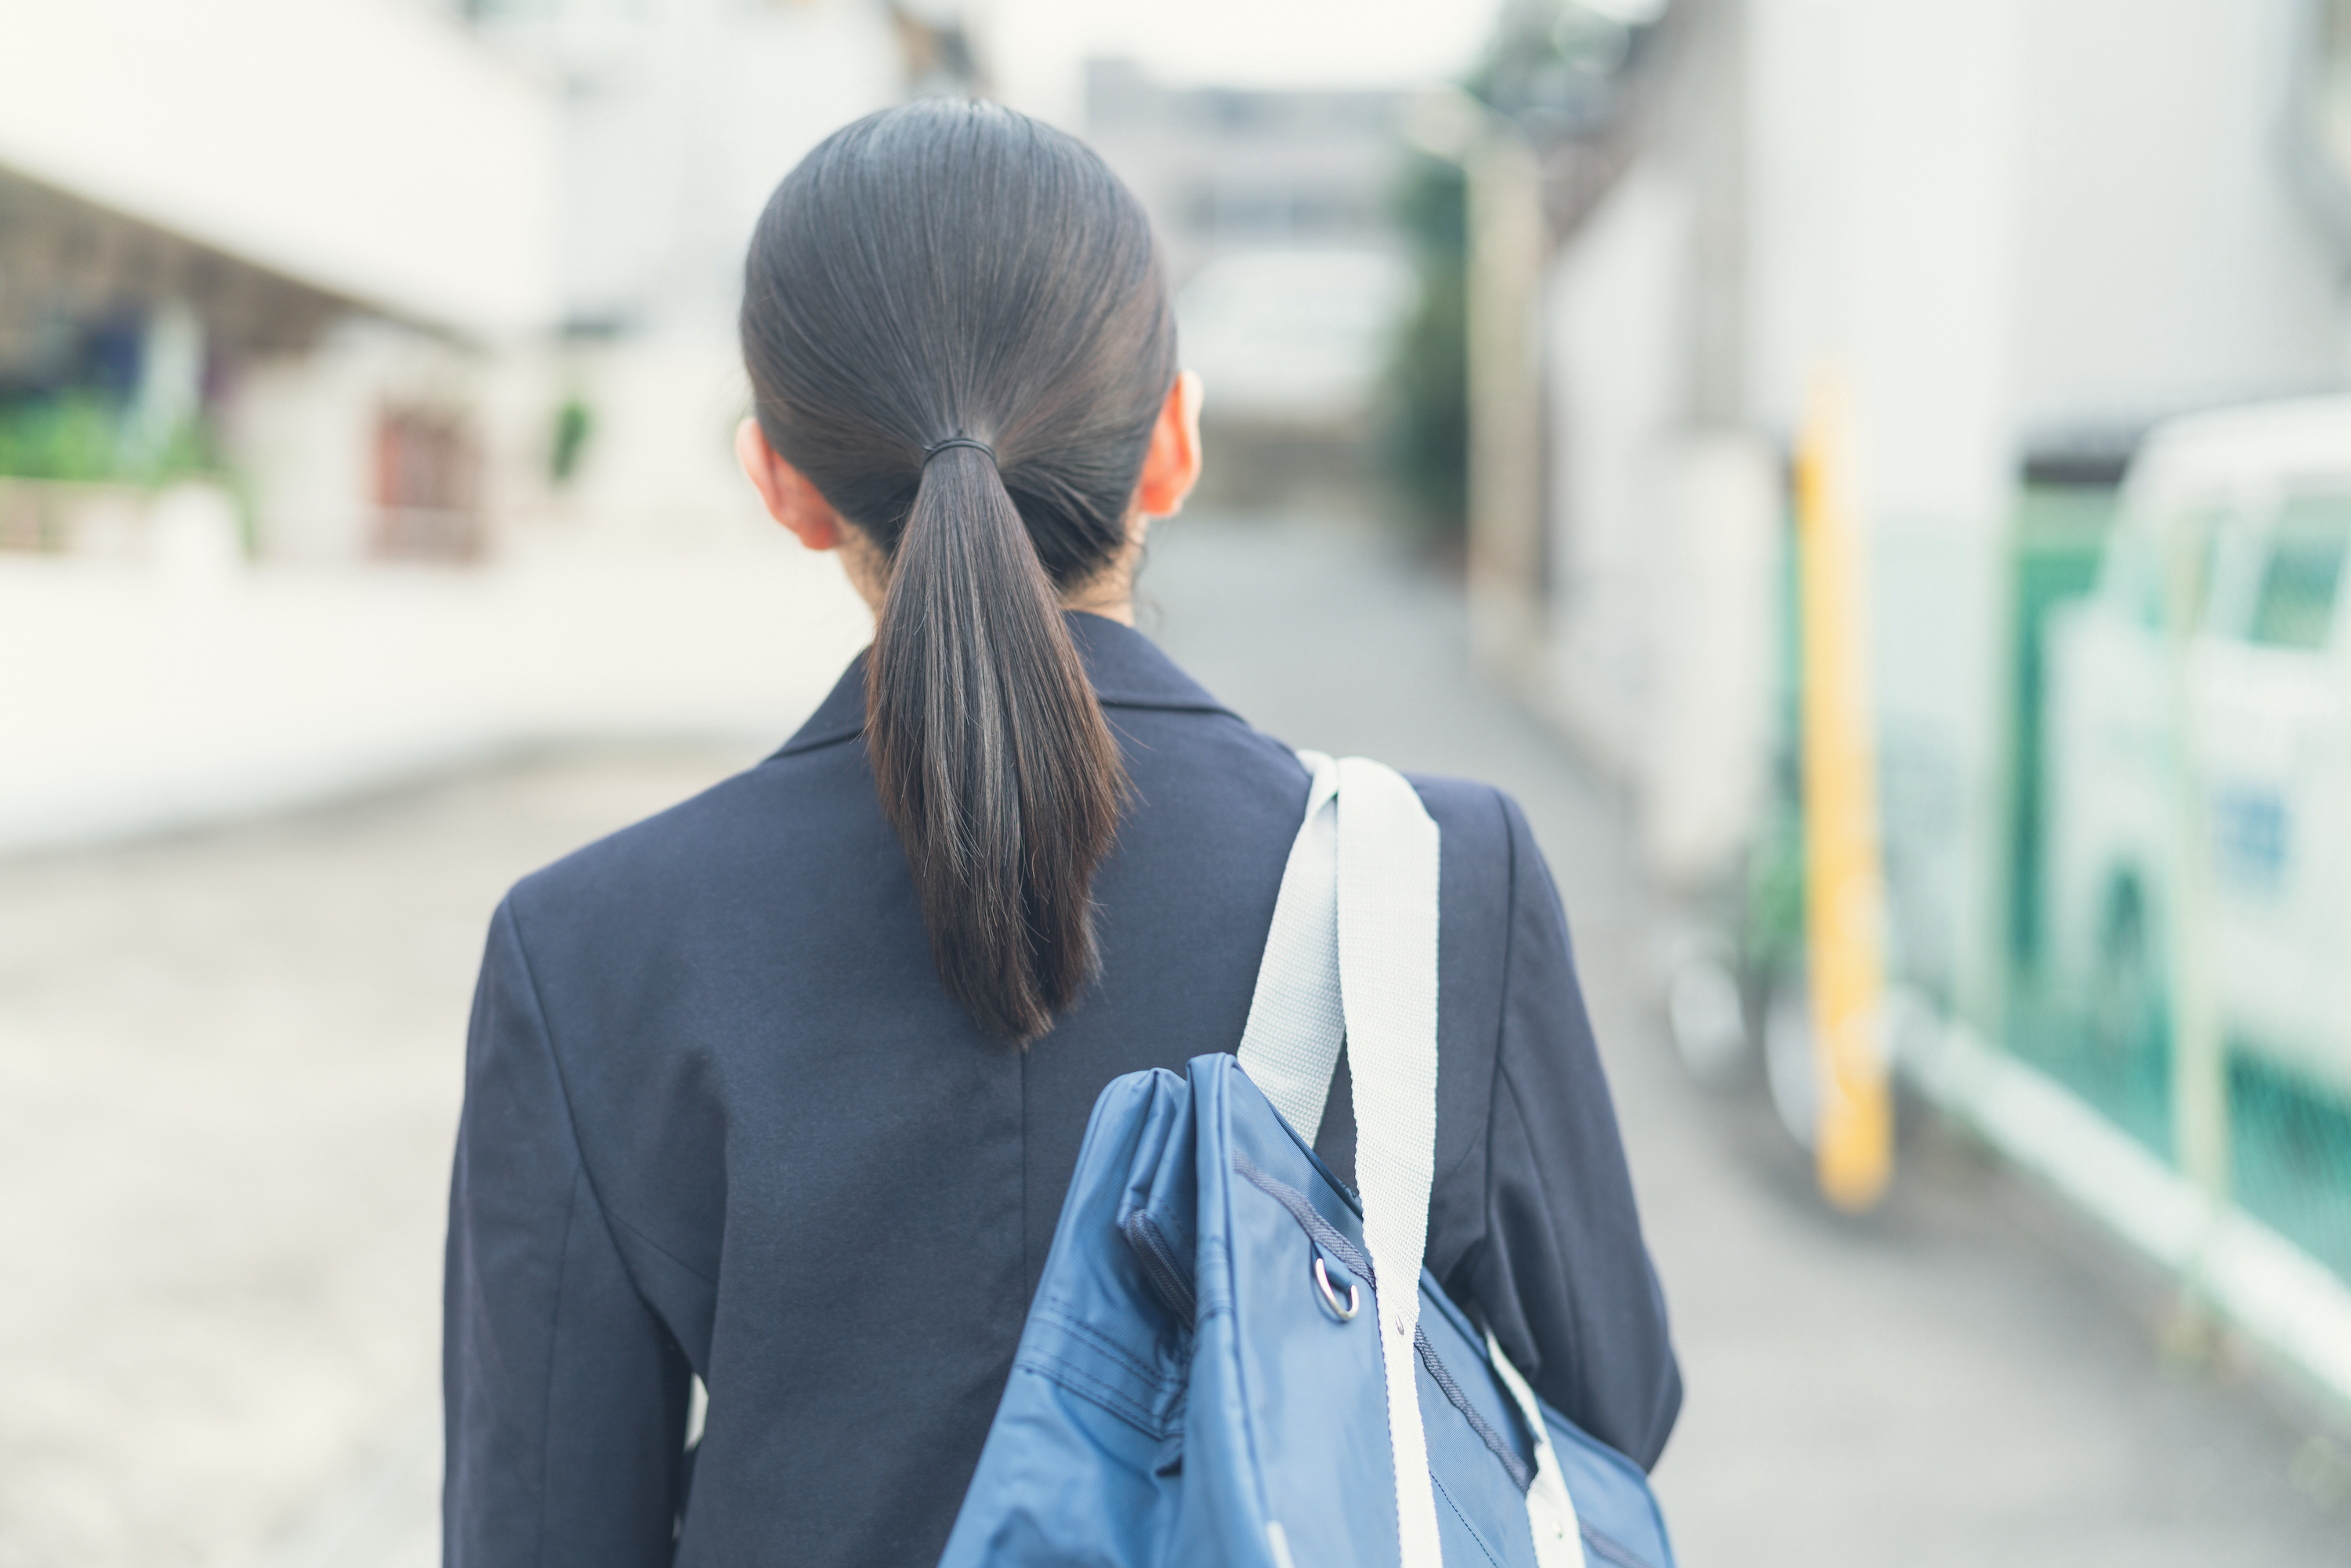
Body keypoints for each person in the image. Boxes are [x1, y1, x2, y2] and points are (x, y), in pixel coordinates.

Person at [443, 99, 1678, 1567]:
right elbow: (1608, 1411)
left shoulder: (587, 945)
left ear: (778, 479)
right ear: (1172, 444)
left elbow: (537, 1530)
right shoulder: (1437, 888)